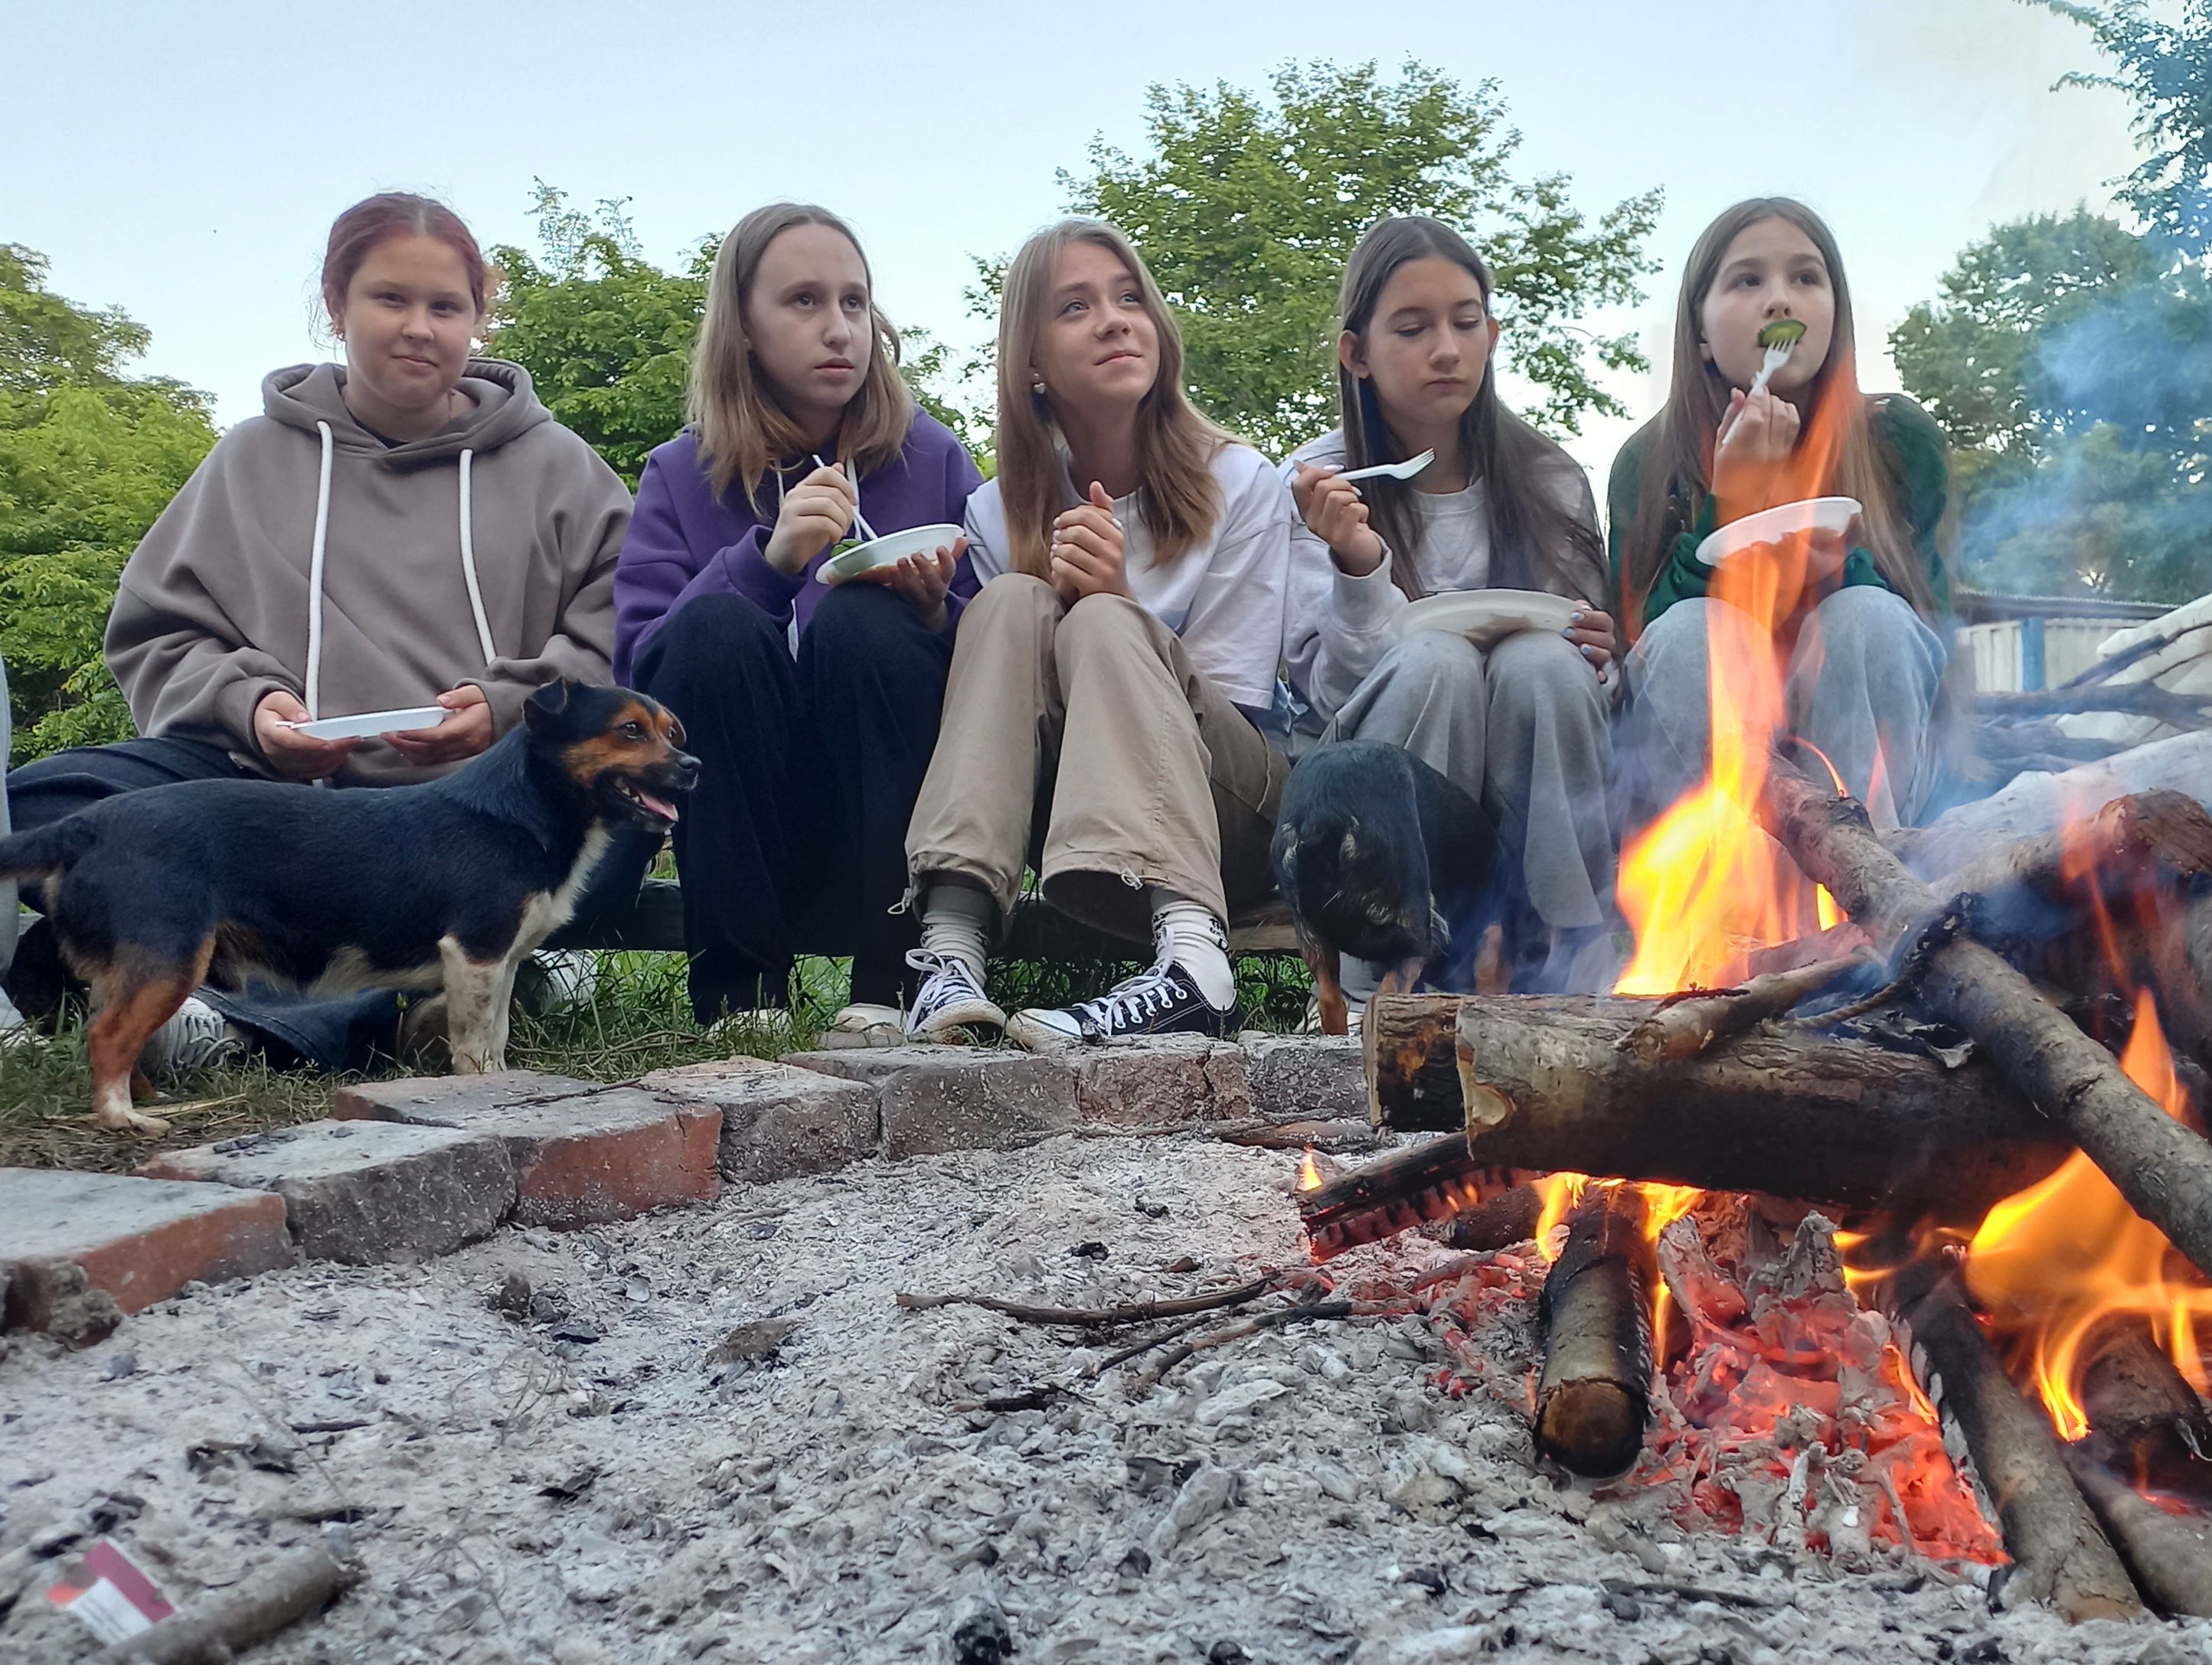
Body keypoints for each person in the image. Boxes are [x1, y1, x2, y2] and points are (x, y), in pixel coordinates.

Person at [2, 191, 629, 1072]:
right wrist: (252, 705)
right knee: (41, 808)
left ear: (479, 318)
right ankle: (395, 997)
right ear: (335, 305)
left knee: (621, 809)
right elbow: (158, 633)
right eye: (389, 299)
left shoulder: (559, 466)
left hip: (473, 816)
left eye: (445, 306)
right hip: (274, 805)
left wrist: (502, 707)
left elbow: (625, 632)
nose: (418, 328)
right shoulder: (253, 458)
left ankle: (256, 1024)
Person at [900, 219, 1289, 1048]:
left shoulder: (1238, 481)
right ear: (1031, 362)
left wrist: (1115, 603)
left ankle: (1195, 965)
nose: (1114, 320)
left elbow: (1237, 703)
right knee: (1007, 602)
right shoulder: (992, 511)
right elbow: (1009, 725)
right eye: (1074, 307)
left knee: (1105, 618)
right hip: (1078, 825)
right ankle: (949, 953)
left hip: (1235, 810)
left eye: (1128, 299)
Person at [613, 204, 982, 1040]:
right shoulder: (678, 472)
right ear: (743, 325)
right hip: (742, 827)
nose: (838, 329)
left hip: (887, 814)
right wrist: (766, 565)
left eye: (854, 303)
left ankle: (889, 986)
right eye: (804, 302)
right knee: (711, 627)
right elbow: (643, 669)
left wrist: (933, 611)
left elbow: (995, 652)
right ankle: (740, 1000)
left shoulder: (931, 457)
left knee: (864, 619)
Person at [1283, 217, 1621, 995]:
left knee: (1543, 660)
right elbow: (1331, 701)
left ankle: (1569, 968)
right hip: (1374, 801)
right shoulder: (1316, 484)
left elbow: (1595, 690)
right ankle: (1396, 972)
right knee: (1435, 658)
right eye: (1412, 327)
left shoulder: (1548, 480)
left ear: (1491, 335)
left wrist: (1600, 656)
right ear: (1356, 354)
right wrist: (1358, 563)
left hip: (1523, 787)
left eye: (1465, 323)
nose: (1446, 348)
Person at [1609, 197, 1956, 831]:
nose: (1780, 300)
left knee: (1868, 617)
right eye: (1747, 280)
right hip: (1702, 798)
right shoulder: (1649, 461)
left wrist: (1822, 568)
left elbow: (1928, 630)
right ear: (1702, 335)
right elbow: (1642, 647)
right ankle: (1726, 906)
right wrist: (1729, 506)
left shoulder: (1896, 438)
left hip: (1878, 778)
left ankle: (1865, 886)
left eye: (1805, 277)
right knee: (1692, 630)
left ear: (1835, 314)